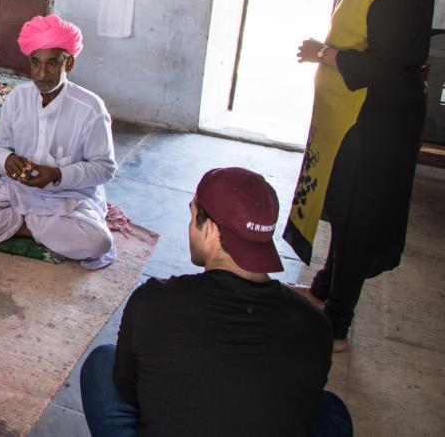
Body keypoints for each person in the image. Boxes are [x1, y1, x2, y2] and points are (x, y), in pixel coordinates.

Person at [284, 0, 445, 351]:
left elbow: (387, 62)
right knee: (345, 211)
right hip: (352, 117)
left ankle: (336, 322)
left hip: (374, 122)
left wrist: (323, 53)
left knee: (360, 217)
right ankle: (323, 292)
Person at [80, 167, 352, 437]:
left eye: (192, 213)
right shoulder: (316, 325)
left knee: (102, 363)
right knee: (330, 408)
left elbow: (128, 390)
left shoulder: (152, 302)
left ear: (209, 229)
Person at [0, 14, 117, 268]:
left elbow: (105, 168)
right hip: (17, 191)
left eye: (52, 63)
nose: (42, 74)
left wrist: (57, 174)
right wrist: (8, 160)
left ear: (70, 63)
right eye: (36, 63)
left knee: (99, 242)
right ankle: (31, 227)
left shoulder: (90, 108)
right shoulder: (17, 98)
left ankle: (17, 225)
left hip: (68, 198)